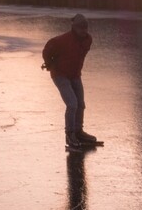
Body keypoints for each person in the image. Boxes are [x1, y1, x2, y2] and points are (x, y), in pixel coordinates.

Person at [41, 13, 99, 151]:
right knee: (72, 104)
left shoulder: (88, 40)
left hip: (75, 75)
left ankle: (78, 132)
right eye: (80, 28)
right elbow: (47, 48)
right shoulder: (63, 40)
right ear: (74, 27)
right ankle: (70, 135)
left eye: (85, 28)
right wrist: (49, 63)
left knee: (81, 104)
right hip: (60, 74)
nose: (83, 31)